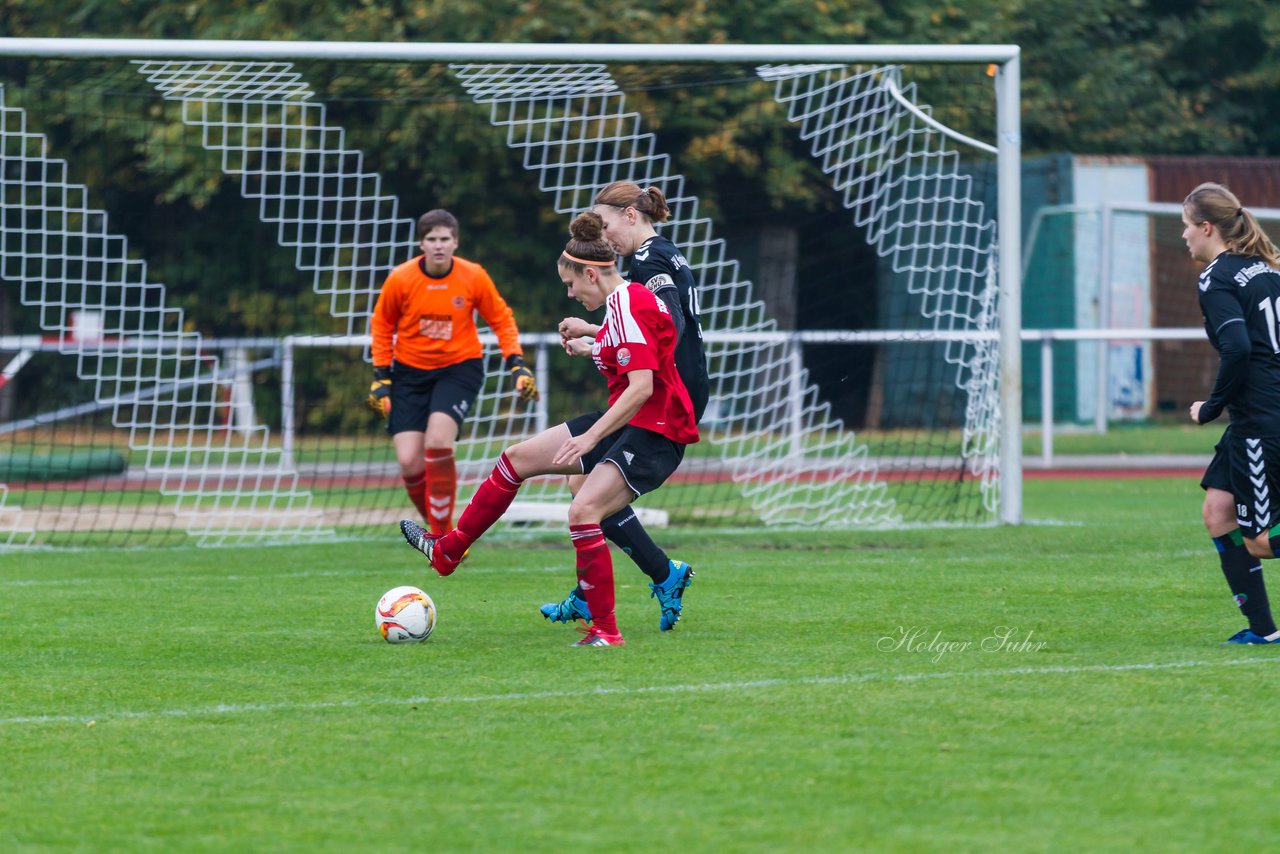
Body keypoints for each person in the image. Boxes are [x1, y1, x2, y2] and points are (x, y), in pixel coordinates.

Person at [399, 210, 700, 647]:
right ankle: (447, 551)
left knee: (584, 512)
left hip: (656, 429)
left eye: (571, 283)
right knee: (516, 459)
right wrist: (593, 341)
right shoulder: (622, 303)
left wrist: (591, 437)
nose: (569, 292)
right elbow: (641, 344)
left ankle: (606, 632)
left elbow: (642, 386)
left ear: (592, 274)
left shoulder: (630, 302)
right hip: (629, 420)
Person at [540, 181, 711, 632]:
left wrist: (603, 337)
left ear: (632, 216)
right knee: (581, 485)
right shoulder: (660, 254)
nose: (604, 233)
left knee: (587, 499)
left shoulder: (651, 261)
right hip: (663, 387)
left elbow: (663, 328)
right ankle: (659, 575)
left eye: (608, 221)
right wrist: (597, 335)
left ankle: (596, 596)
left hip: (668, 396)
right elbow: (644, 330)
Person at [368, 209, 538, 536]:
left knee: (437, 441)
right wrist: (381, 376)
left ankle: (446, 541)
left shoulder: (473, 276)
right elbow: (382, 325)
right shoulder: (401, 279)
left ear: (455, 242)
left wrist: (516, 363)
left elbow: (501, 319)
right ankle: (437, 532)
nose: (438, 245)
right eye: (431, 239)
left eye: (445, 238)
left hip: (459, 370)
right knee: (409, 462)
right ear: (421, 243)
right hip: (408, 373)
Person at [1184, 182, 1280, 645]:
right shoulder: (1265, 269)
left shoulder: (1216, 276)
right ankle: (1263, 632)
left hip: (1260, 419)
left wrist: (1210, 407)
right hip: (1259, 413)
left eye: (1186, 226)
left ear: (1206, 227)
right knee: (1218, 511)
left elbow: (1238, 347)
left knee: (1260, 539)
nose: (1183, 236)